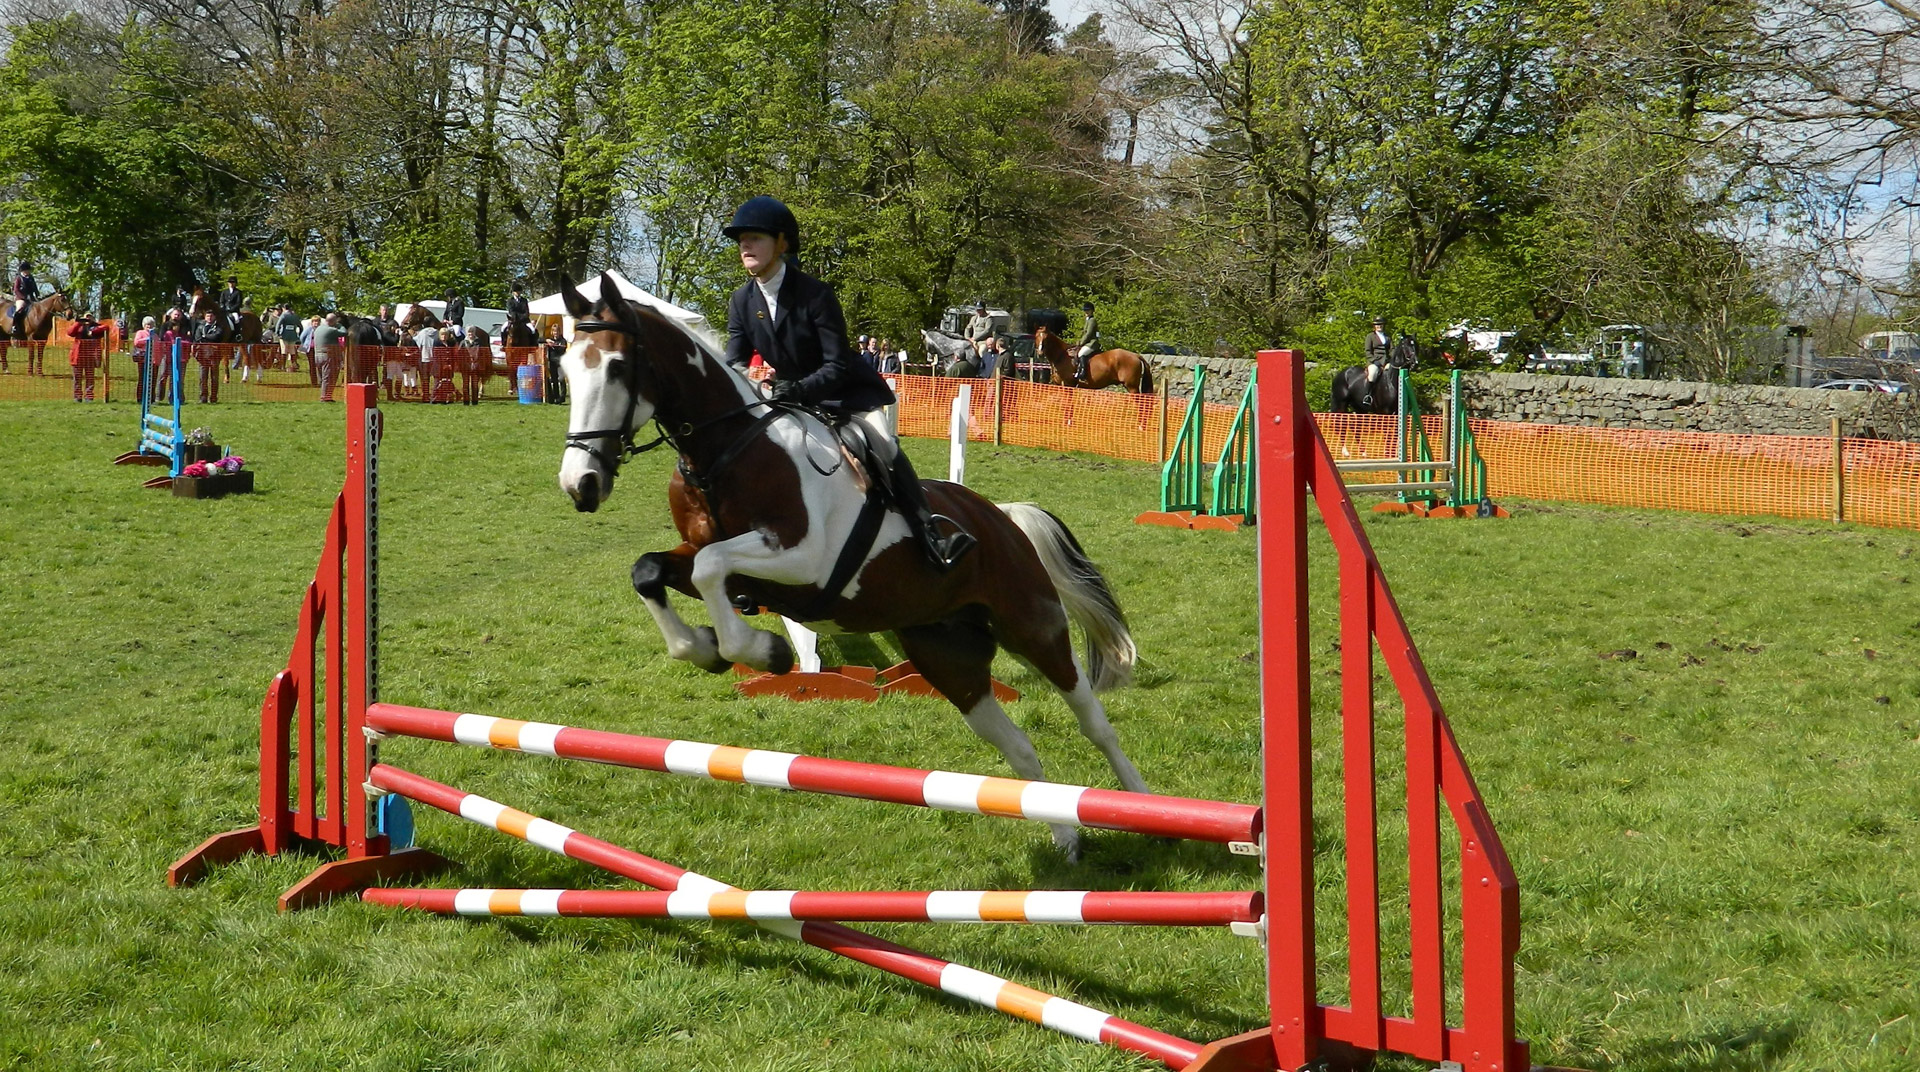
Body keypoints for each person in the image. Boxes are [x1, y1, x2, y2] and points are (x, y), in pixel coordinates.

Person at [721, 194, 973, 568]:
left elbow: (837, 364)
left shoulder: (815, 294)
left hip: (844, 397)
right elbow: (734, 362)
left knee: (883, 445)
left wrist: (799, 389)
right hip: (788, 401)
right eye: (741, 239)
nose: (745, 244)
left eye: (754, 237)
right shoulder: (741, 301)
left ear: (782, 243)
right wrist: (753, 379)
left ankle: (930, 533)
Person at [67, 311, 107, 401]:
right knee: (77, 377)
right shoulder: (79, 326)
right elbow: (69, 332)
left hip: (90, 356)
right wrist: (78, 323)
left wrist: (92, 331)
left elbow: (106, 327)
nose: (88, 319)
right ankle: (77, 396)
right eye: (86, 317)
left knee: (90, 377)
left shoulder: (96, 326)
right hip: (78, 356)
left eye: (90, 317)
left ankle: (89, 396)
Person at [193, 310, 225, 402]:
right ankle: (203, 397)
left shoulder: (218, 327)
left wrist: (205, 337)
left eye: (211, 316)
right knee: (202, 377)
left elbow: (217, 336)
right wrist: (207, 337)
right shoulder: (200, 327)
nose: (209, 318)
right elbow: (197, 338)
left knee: (214, 377)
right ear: (205, 317)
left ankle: (214, 397)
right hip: (202, 355)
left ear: (214, 317)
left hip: (215, 354)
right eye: (207, 316)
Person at [313, 312, 345, 402]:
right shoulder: (331, 330)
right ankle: (325, 397)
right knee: (328, 377)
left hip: (317, 355)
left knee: (323, 377)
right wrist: (339, 325)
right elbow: (344, 333)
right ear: (333, 321)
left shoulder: (318, 329)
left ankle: (326, 396)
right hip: (328, 356)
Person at [131, 316, 157, 404]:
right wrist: (147, 340)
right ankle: (140, 398)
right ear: (144, 325)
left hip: (153, 360)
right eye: (147, 324)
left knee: (152, 380)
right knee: (142, 378)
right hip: (143, 359)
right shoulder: (140, 332)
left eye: (151, 324)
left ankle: (151, 399)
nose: (149, 326)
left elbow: (158, 345)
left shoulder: (155, 335)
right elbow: (136, 342)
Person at [1073, 301, 1100, 384]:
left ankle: (1083, 373)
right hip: (1087, 342)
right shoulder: (1087, 320)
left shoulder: (1092, 320)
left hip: (1092, 343)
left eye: (1088, 310)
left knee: (1081, 353)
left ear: (1092, 311)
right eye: (1085, 310)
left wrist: (1081, 342)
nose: (1086, 312)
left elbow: (1088, 334)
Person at [9, 259, 38, 335]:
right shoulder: (18, 278)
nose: (29, 272)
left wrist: (37, 294)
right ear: (24, 270)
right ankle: (14, 326)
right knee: (20, 309)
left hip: (30, 297)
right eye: (28, 270)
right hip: (20, 298)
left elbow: (34, 287)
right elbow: (16, 289)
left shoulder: (30, 278)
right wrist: (23, 297)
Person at [543, 321, 568, 404]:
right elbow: (539, 339)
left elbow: (562, 349)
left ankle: (563, 396)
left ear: (559, 332)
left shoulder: (563, 340)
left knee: (561, 379)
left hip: (560, 363)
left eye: (557, 331)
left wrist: (554, 346)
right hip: (552, 363)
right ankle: (556, 397)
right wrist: (546, 340)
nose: (555, 333)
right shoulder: (550, 340)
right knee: (554, 380)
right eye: (554, 331)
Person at [275, 304, 303, 371]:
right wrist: (299, 334)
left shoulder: (284, 315)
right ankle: (294, 366)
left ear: (284, 308)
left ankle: (283, 367)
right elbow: (301, 327)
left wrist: (278, 333)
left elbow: (278, 325)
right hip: (293, 335)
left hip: (284, 335)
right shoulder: (295, 316)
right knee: (292, 351)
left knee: (284, 351)